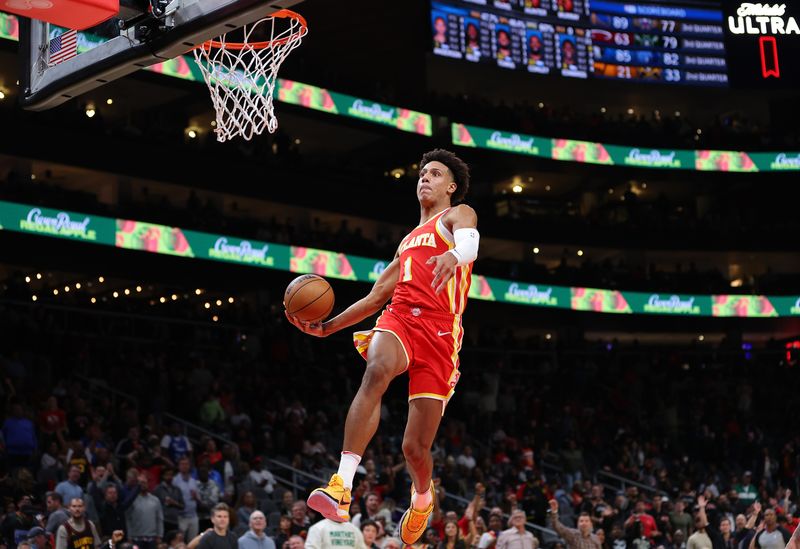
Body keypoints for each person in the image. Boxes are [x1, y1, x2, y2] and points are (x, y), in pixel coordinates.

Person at [288, 149, 478, 547]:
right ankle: (342, 485)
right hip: (401, 318)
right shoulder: (408, 241)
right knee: (376, 369)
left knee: (414, 448)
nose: (425, 178)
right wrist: (327, 327)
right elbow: (376, 297)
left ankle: (424, 498)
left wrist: (453, 255)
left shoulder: (458, 214)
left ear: (451, 186)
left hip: (442, 334)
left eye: (435, 173)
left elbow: (471, 245)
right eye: (422, 173)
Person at [126, 473, 164, 549]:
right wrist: (129, 536)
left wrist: (160, 535)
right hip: (136, 537)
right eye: (140, 483)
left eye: (144, 483)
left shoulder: (155, 500)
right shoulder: (132, 500)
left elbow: (159, 519)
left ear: (148, 483)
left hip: (152, 537)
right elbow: (128, 519)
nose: (142, 485)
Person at [173, 458, 200, 541]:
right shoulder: (175, 481)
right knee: (180, 542)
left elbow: (198, 499)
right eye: (182, 464)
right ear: (179, 466)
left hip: (193, 516)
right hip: (181, 517)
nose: (184, 466)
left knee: (193, 542)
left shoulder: (193, 481)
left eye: (186, 464)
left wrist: (196, 497)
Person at [155, 468, 185, 534]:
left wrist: (174, 503)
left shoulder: (177, 489)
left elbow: (183, 506)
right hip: (163, 521)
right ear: (163, 476)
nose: (169, 477)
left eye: (171, 475)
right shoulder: (158, 489)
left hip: (175, 521)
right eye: (167, 475)